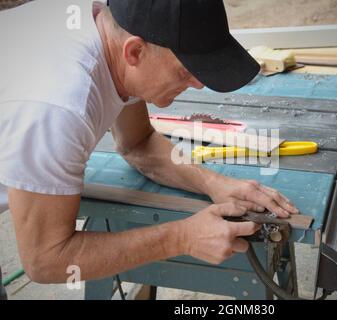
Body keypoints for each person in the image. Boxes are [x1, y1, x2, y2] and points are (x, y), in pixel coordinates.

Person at [0, 0, 299, 292]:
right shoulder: (59, 106)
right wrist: (182, 238)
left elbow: (137, 143)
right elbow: (45, 259)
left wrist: (213, 183)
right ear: (135, 51)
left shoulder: (111, 36)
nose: (198, 84)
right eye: (185, 71)